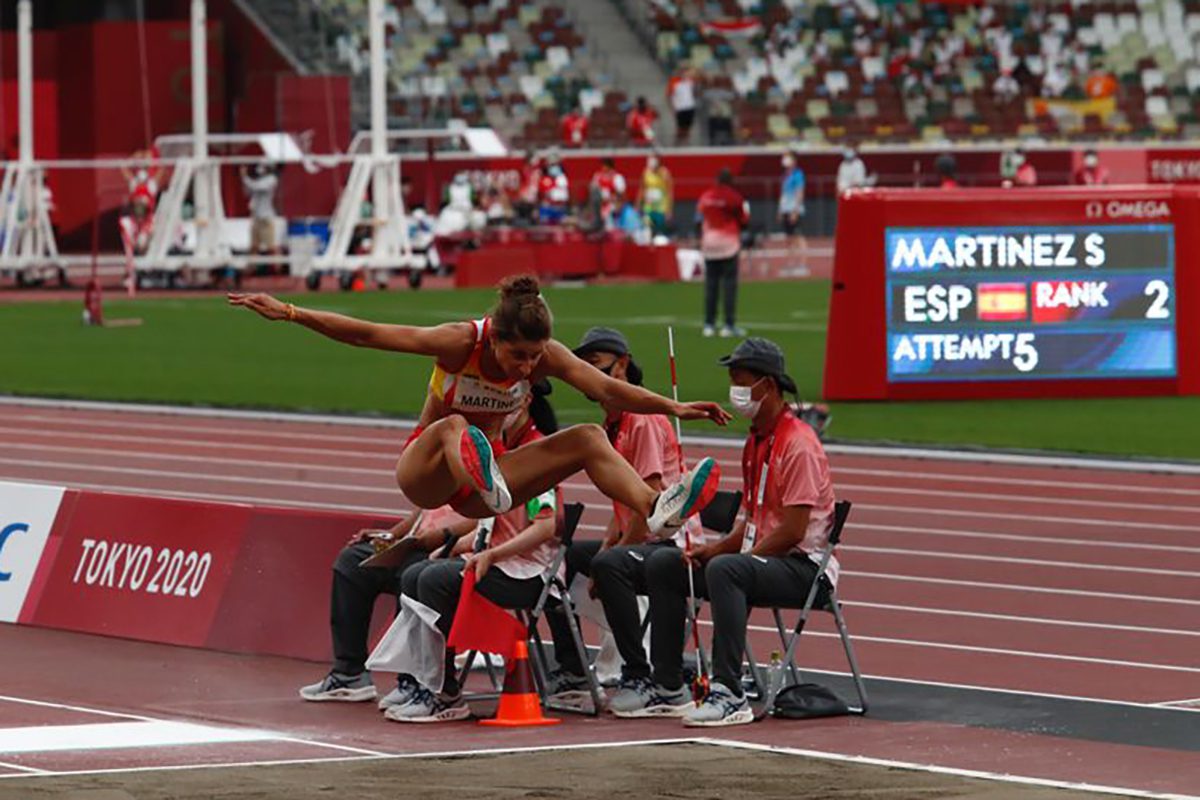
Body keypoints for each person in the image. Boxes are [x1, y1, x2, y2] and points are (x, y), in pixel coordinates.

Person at [228, 274, 727, 552]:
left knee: (589, 436)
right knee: (455, 425)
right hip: (426, 472)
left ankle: (656, 508)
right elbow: (370, 333)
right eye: (518, 357)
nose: (529, 367)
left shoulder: (543, 355)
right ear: (495, 337)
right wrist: (292, 312)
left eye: (536, 357)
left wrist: (675, 405)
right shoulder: (459, 342)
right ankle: (480, 467)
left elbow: (606, 389)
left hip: (488, 488)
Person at [626, 338, 838, 727]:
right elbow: (752, 521)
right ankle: (667, 685)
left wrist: (732, 557)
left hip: (804, 569)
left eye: (741, 382)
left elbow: (792, 531)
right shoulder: (757, 441)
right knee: (667, 566)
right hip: (763, 560)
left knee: (727, 570)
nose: (735, 392)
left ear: (768, 386)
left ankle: (729, 691)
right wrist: (714, 548)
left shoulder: (799, 445)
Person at [384, 393, 565, 722]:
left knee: (433, 580)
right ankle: (423, 681)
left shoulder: (537, 455)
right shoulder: (497, 455)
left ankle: (447, 693)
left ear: (524, 402)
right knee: (416, 574)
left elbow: (545, 526)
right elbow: (490, 524)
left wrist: (492, 554)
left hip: (527, 572)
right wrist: (453, 547)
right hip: (492, 561)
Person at [553, 328, 701, 699]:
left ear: (622, 365)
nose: (590, 374)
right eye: (584, 366)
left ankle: (637, 673)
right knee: (562, 557)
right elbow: (622, 503)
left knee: (608, 566)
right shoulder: (611, 425)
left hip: (668, 540)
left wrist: (613, 552)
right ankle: (572, 667)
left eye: (598, 365)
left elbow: (647, 500)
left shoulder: (643, 420)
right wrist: (607, 543)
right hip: (638, 535)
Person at [298, 505, 478, 706]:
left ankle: (412, 680)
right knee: (351, 561)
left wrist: (443, 534)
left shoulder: (489, 477)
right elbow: (425, 512)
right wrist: (392, 534)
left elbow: (489, 520)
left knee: (411, 574)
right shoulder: (442, 476)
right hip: (418, 544)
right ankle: (349, 673)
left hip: (453, 552)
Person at [697, 169, 750, 339]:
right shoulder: (735, 197)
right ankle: (728, 325)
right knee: (729, 285)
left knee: (711, 285)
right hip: (728, 245)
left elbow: (699, 217)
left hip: (709, 244)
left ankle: (709, 324)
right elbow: (744, 220)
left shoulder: (706, 196)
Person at [241, 163, 280, 265]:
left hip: (266, 218)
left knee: (271, 247)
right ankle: (250, 270)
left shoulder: (272, 179)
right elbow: (247, 192)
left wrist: (245, 177)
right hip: (256, 217)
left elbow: (257, 187)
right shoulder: (257, 180)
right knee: (254, 246)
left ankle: (278, 270)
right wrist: (246, 181)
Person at [637, 152, 674, 238]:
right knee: (647, 230)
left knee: (660, 233)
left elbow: (670, 192)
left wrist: (669, 210)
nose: (651, 161)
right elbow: (642, 190)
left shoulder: (665, 173)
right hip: (648, 208)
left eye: (653, 159)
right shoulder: (645, 172)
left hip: (661, 208)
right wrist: (638, 205)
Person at [590, 158, 627, 230]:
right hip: (600, 207)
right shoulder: (597, 176)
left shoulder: (617, 177)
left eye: (604, 165)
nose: (602, 167)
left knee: (611, 227)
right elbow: (593, 191)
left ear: (609, 166)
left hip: (612, 206)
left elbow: (621, 193)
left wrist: (619, 205)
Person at [667, 67, 698, 145]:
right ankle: (677, 143)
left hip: (690, 106)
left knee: (688, 127)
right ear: (680, 73)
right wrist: (672, 108)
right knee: (680, 127)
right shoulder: (674, 81)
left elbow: (695, 92)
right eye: (683, 73)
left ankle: (686, 143)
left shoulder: (691, 81)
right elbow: (669, 96)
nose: (685, 74)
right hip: (680, 108)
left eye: (686, 73)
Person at [777, 151, 805, 236]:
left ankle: (802, 249)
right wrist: (780, 210)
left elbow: (800, 192)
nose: (785, 160)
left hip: (794, 209)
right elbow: (783, 194)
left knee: (797, 236)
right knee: (788, 236)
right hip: (785, 208)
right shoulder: (784, 175)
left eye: (787, 157)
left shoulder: (798, 174)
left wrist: (795, 211)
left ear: (794, 160)